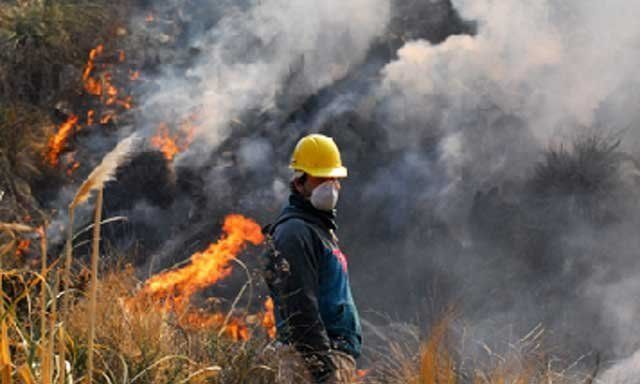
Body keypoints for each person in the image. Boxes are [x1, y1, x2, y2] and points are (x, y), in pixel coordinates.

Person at [262, 133, 362, 383]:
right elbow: (300, 309)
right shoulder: (295, 232)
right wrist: (324, 371)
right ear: (299, 182)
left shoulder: (318, 230)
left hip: (332, 357)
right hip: (310, 363)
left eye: (334, 178)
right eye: (321, 178)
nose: (331, 186)